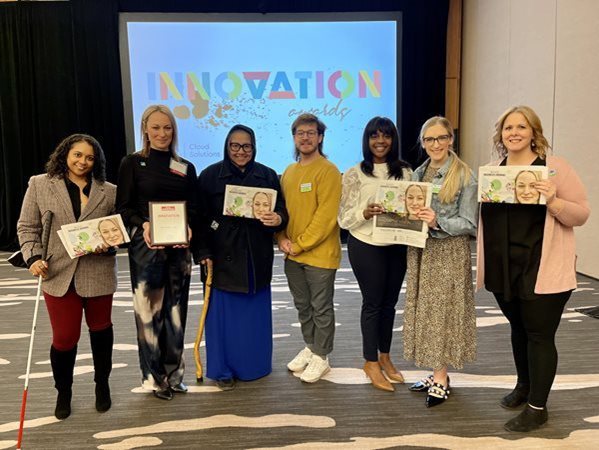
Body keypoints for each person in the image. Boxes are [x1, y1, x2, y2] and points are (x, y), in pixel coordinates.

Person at [477, 105, 590, 431]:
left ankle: (538, 407)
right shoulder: (492, 170)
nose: (513, 132)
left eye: (521, 127)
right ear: (500, 134)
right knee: (518, 328)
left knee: (540, 335)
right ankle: (524, 386)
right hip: (502, 269)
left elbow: (581, 214)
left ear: (533, 133)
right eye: (507, 127)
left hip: (542, 267)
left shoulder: (555, 168)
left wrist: (553, 201)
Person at [17, 134, 117, 419]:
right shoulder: (39, 184)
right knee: (64, 338)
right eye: (77, 155)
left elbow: (116, 231)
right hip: (57, 272)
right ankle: (64, 391)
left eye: (89, 157)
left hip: (97, 272)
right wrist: (33, 257)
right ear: (65, 154)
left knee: (101, 331)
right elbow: (27, 227)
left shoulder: (108, 191)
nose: (82, 162)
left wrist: (111, 242)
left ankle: (102, 385)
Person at [116, 104, 208, 401]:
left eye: (167, 127)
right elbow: (124, 208)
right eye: (155, 127)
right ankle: (154, 378)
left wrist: (190, 227)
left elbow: (193, 208)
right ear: (145, 129)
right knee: (149, 313)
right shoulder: (132, 163)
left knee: (175, 313)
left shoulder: (185, 166)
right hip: (146, 248)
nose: (162, 133)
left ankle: (175, 375)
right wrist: (142, 224)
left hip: (179, 251)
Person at [196, 124, 287, 391]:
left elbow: (281, 209)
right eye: (235, 146)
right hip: (220, 257)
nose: (241, 151)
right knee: (222, 318)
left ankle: (254, 366)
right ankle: (222, 370)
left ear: (254, 147)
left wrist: (278, 218)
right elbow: (198, 219)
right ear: (227, 146)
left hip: (255, 256)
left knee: (252, 316)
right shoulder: (210, 175)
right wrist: (202, 252)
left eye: (246, 146)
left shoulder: (267, 175)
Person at [403, 116, 478, 407]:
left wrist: (437, 221)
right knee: (425, 312)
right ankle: (435, 372)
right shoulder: (418, 173)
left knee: (442, 315)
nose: (435, 144)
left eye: (441, 138)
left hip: (447, 251)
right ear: (423, 143)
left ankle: (441, 377)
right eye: (429, 139)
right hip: (421, 251)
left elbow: (471, 223)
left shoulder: (464, 175)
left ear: (450, 140)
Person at [338, 117, 411, 392]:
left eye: (386, 136)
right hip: (365, 243)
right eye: (374, 136)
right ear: (366, 140)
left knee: (390, 304)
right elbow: (343, 218)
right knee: (372, 303)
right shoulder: (354, 173)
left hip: (397, 243)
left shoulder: (405, 172)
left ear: (393, 139)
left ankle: (385, 356)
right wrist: (364, 212)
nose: (380, 141)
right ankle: (369, 361)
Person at [278, 113, 342, 383]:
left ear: (320, 137)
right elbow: (281, 210)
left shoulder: (328, 170)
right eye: (300, 132)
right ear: (294, 137)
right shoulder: (290, 172)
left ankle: (322, 357)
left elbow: (325, 218)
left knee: (321, 307)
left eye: (311, 132)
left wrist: (299, 245)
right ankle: (311, 346)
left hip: (319, 255)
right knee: (303, 306)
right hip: (291, 254)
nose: (305, 137)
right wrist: (280, 238)